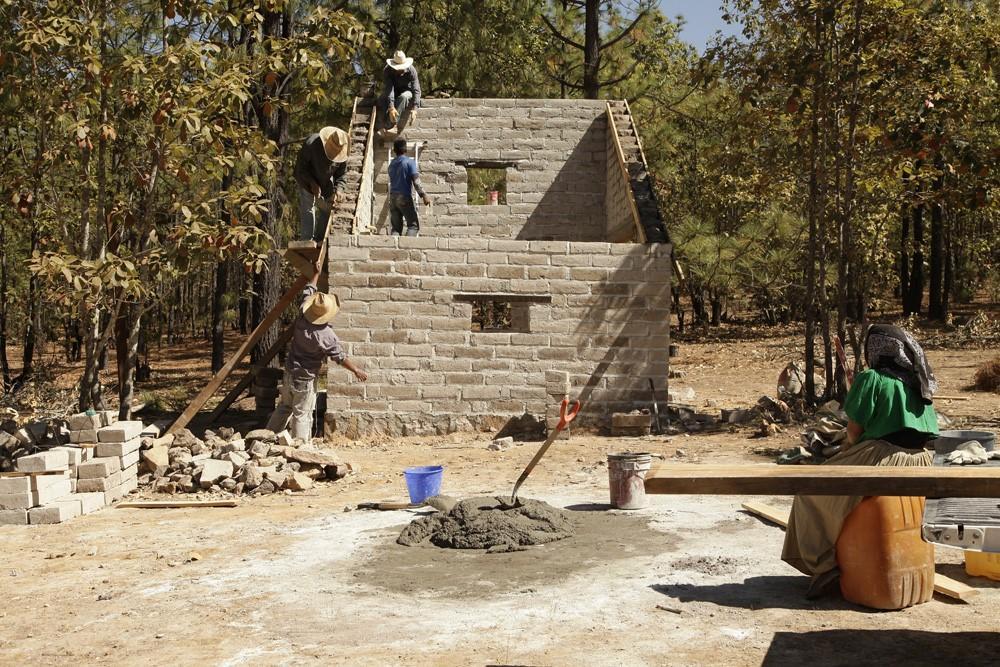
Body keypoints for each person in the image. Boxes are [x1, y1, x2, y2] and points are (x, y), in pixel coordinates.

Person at [782, 324, 939, 598]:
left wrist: (845, 448)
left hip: (882, 458)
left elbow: (854, 433)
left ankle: (825, 563)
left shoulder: (872, 378)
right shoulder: (920, 382)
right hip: (922, 461)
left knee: (811, 492)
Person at [266, 267, 367, 445]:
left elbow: (309, 289)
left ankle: (265, 438)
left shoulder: (303, 315)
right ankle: (300, 448)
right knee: (302, 414)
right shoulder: (326, 335)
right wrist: (356, 370)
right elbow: (340, 357)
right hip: (305, 378)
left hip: (290, 372)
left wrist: (316, 273)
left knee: (284, 407)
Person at [293, 127, 349, 244]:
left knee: (327, 209)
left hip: (325, 183)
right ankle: (307, 241)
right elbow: (301, 169)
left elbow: (341, 175)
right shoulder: (311, 144)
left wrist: (339, 189)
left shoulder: (343, 152)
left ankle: (319, 240)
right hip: (306, 179)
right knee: (308, 208)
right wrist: (312, 183)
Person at [387, 137, 431, 236]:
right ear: (405, 149)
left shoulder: (391, 164)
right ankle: (406, 250)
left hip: (393, 198)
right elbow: (416, 181)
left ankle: (394, 249)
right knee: (413, 226)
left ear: (394, 150)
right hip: (404, 197)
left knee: (396, 229)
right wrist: (423, 195)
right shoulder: (409, 162)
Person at [377, 50, 421, 139]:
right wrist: (391, 107)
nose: (399, 70)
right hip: (394, 91)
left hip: (408, 92)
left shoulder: (412, 70)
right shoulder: (387, 71)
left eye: (401, 68)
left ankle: (392, 126)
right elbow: (390, 89)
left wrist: (415, 108)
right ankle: (382, 124)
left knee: (404, 97)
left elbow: (416, 89)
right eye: (397, 68)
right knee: (381, 99)